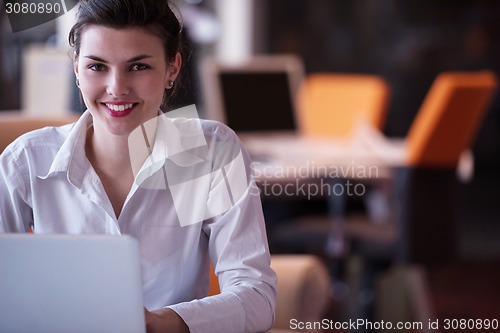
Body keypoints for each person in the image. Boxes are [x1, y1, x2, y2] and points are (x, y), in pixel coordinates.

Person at [0, 1, 277, 332]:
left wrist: (164, 322)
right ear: (76, 68)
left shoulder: (208, 154)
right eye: (97, 67)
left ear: (172, 69)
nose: (117, 88)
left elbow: (257, 296)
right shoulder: (28, 161)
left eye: (138, 67)